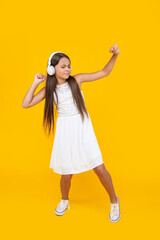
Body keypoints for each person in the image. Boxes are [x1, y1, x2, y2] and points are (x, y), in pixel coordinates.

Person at [22, 45, 120, 222]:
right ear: (52, 69)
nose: (68, 69)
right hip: (65, 131)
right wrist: (35, 82)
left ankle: (114, 200)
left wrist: (115, 55)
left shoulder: (77, 80)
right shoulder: (49, 90)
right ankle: (64, 199)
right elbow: (26, 104)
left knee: (99, 167)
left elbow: (105, 72)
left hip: (82, 127)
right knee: (66, 173)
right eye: (63, 66)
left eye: (69, 66)